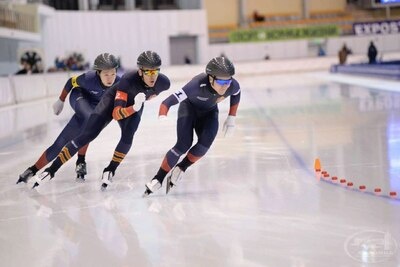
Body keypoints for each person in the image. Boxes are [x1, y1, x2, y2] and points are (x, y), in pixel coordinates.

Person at [31, 51, 171, 190]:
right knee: (88, 134)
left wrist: (139, 104)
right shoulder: (127, 80)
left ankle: (110, 169)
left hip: (135, 105)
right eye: (148, 72)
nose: (153, 76)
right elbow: (116, 114)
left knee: (128, 136)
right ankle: (52, 170)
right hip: (113, 102)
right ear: (140, 71)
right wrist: (134, 107)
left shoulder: (164, 83)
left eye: (156, 71)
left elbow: (152, 92)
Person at [143, 56, 241, 197]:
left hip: (209, 113)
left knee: (204, 145)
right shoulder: (196, 85)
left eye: (228, 80)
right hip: (189, 110)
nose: (225, 85)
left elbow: (237, 93)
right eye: (221, 81)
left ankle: (181, 168)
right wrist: (162, 115)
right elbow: (167, 102)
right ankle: (157, 179)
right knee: (183, 145)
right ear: (210, 78)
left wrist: (232, 117)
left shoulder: (232, 85)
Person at [17, 53, 120, 184]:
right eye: (106, 74)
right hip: (79, 96)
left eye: (113, 73)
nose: (110, 77)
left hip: (95, 107)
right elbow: (70, 82)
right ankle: (78, 160)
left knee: (68, 138)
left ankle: (34, 169)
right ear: (98, 73)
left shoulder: (119, 83)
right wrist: (61, 100)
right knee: (90, 120)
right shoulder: (88, 78)